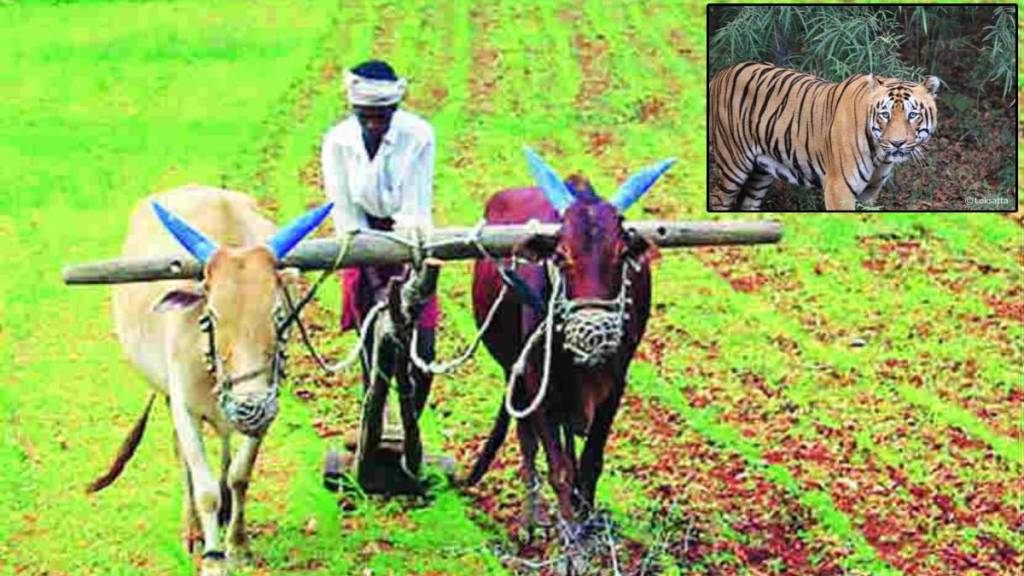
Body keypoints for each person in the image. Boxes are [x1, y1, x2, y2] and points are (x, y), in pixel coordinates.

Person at [320, 59, 438, 416]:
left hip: (409, 241)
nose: (373, 123)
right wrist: (373, 276)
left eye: (381, 115)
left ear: (394, 109)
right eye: (365, 115)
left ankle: (410, 420)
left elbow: (415, 209)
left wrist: (405, 279)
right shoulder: (338, 142)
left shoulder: (418, 136)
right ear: (354, 109)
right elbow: (345, 211)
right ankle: (374, 415)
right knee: (371, 341)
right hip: (360, 241)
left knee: (424, 349)